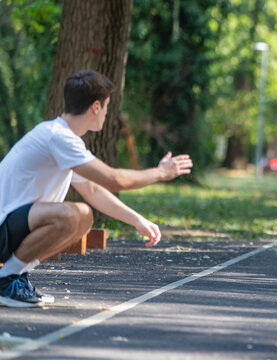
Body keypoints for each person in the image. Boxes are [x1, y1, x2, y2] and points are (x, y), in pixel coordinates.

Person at [0, 69, 193, 307]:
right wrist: (162, 172)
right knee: (75, 214)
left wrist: (137, 220)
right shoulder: (58, 137)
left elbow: (92, 190)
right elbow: (114, 180)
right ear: (95, 107)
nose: (107, 113)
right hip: (4, 227)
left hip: (12, 226)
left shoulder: (62, 138)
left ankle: (15, 276)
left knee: (84, 218)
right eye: (107, 106)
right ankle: (6, 280)